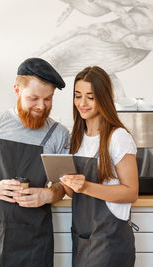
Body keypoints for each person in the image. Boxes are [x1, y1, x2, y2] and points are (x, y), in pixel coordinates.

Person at [0, 58, 70, 267]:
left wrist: (49, 194)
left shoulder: (58, 134)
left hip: (33, 239)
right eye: (33, 98)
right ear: (17, 90)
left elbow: (65, 185)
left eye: (48, 99)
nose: (41, 106)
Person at [60, 66, 139, 267]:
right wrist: (66, 182)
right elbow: (74, 194)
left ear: (103, 99)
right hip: (82, 238)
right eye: (78, 96)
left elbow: (131, 192)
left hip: (110, 241)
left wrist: (85, 186)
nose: (82, 103)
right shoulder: (76, 139)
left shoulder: (118, 137)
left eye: (90, 97)